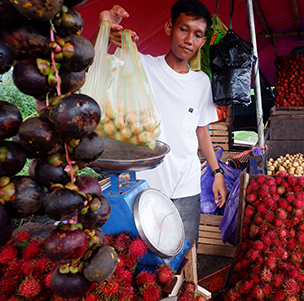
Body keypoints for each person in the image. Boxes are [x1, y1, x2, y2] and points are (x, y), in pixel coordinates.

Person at [93, 0, 227, 244]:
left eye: (197, 35)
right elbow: (94, 65)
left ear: (203, 41)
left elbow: (202, 131)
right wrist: (104, 29)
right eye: (183, 29)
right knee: (149, 258)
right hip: (146, 185)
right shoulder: (142, 65)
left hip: (186, 186)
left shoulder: (201, 82)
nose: (189, 40)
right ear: (169, 28)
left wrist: (216, 171)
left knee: (186, 254)